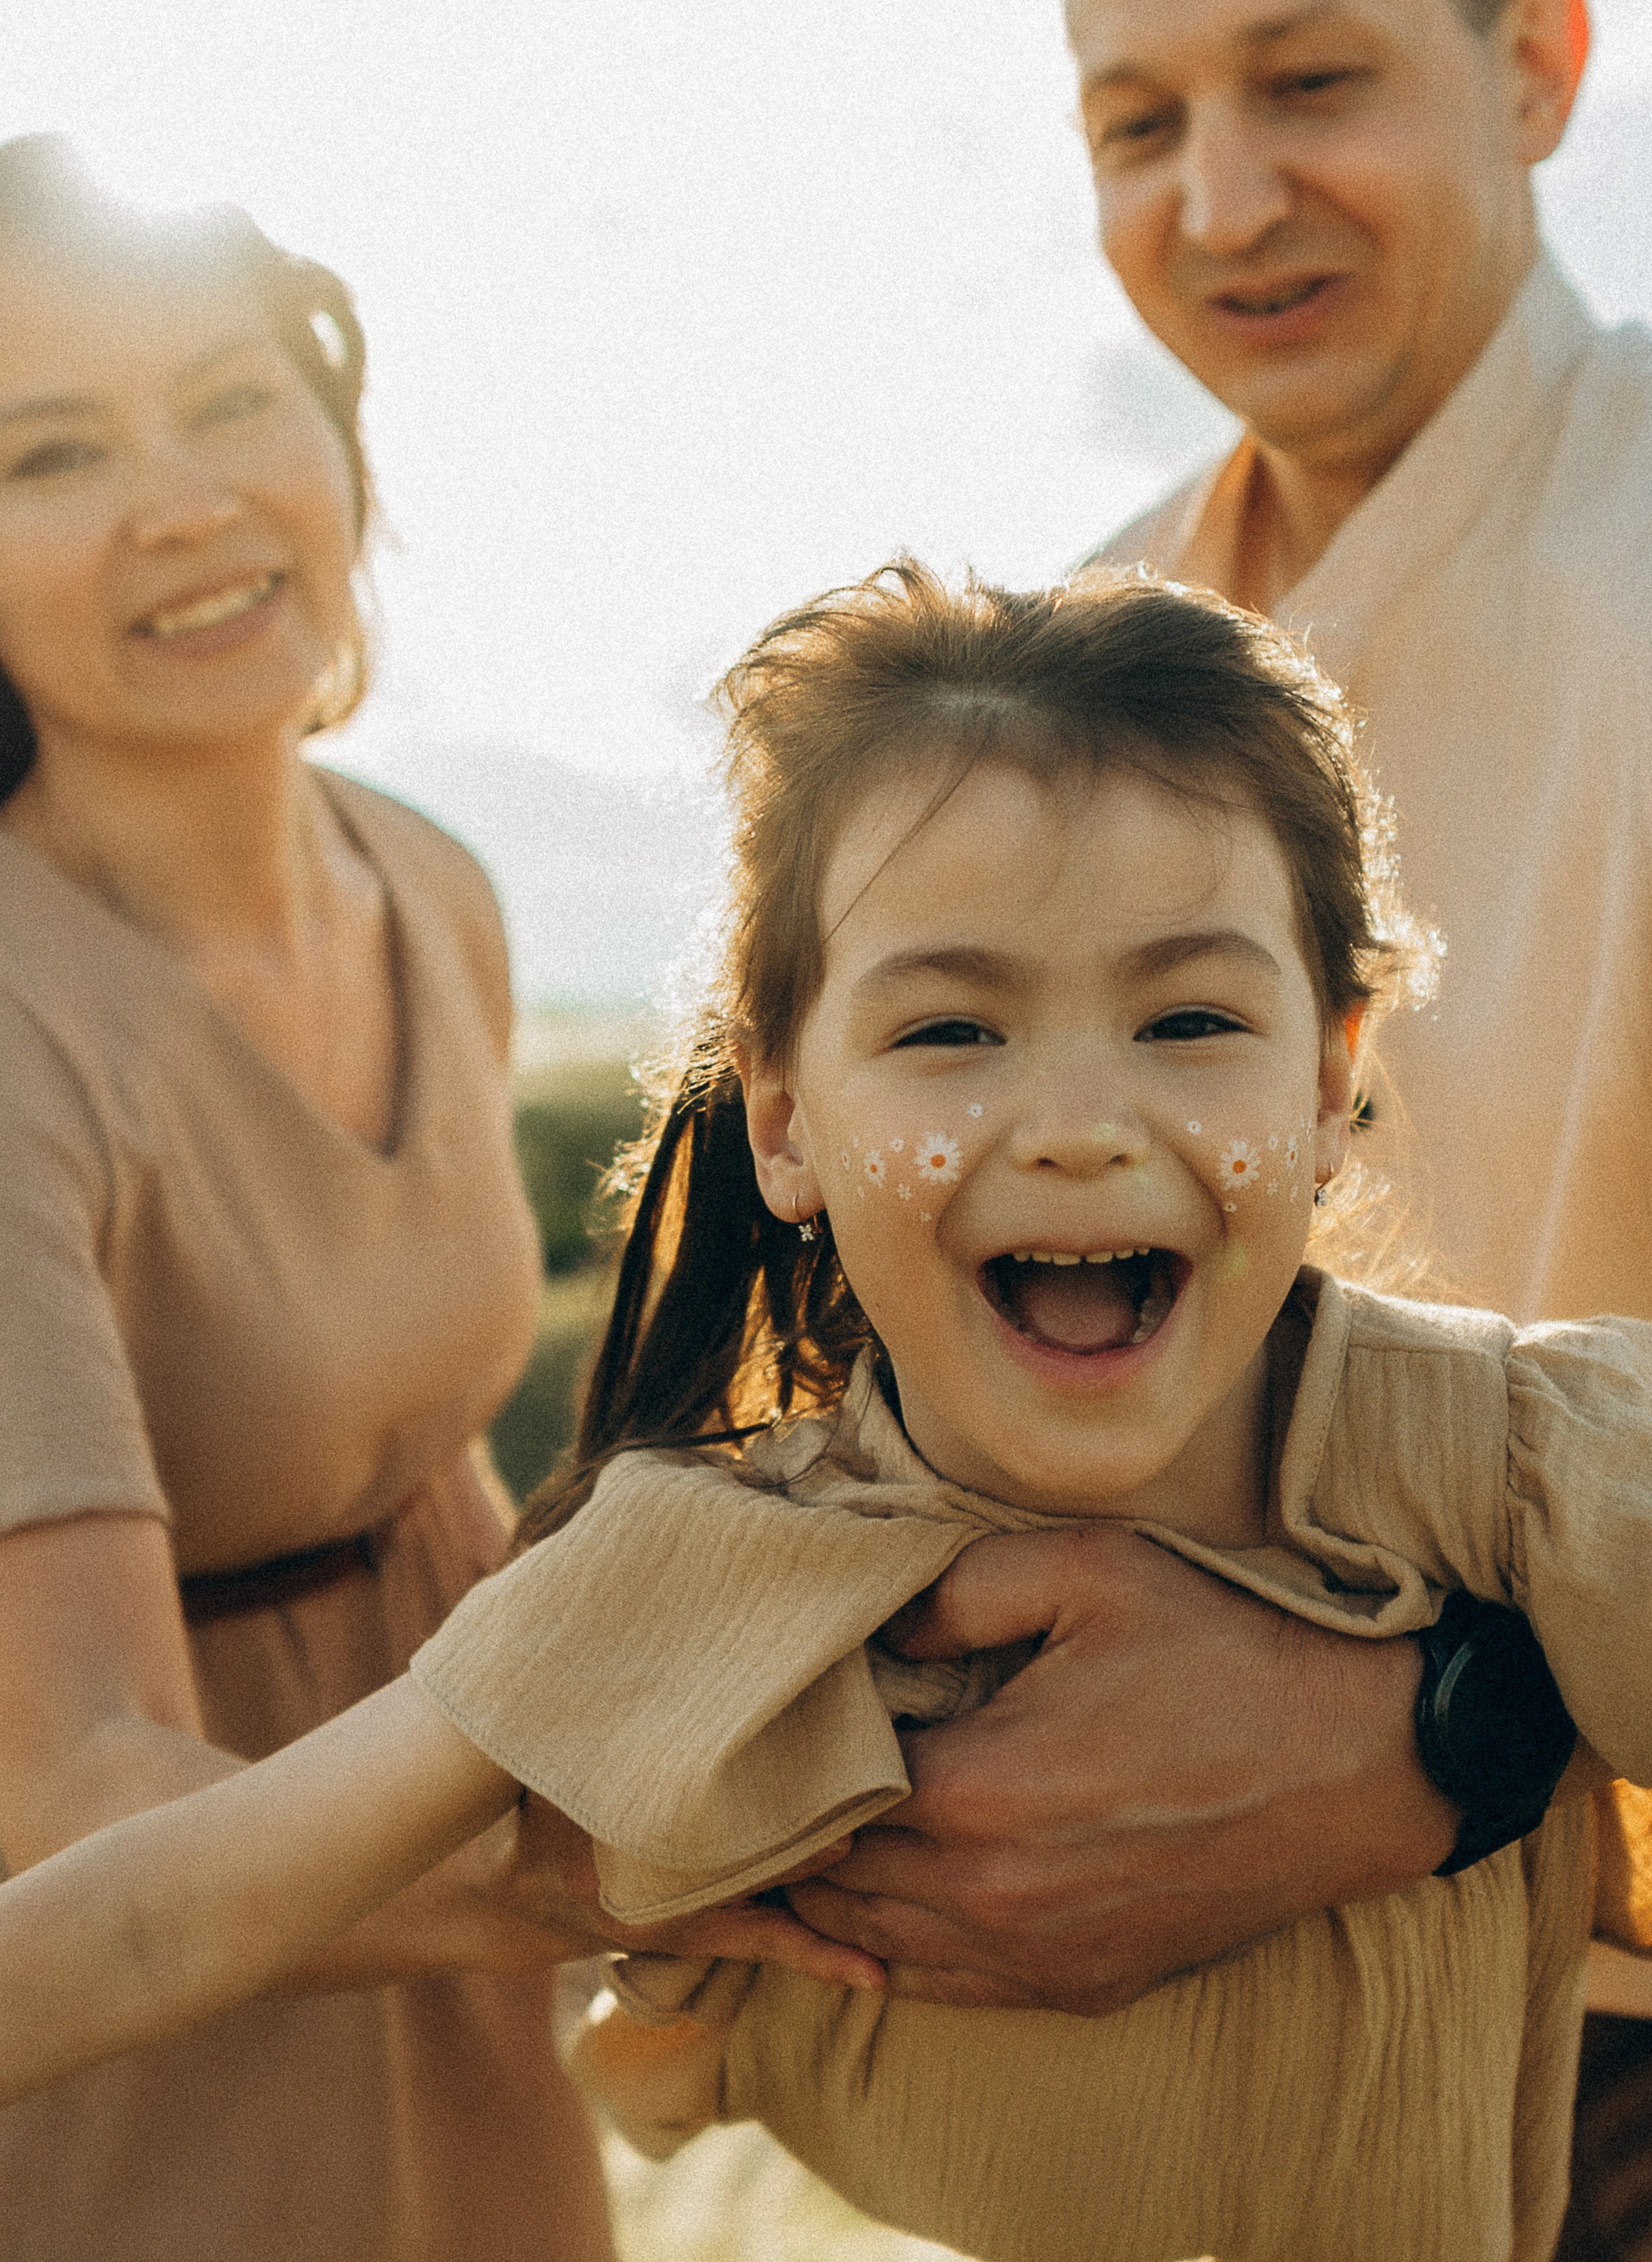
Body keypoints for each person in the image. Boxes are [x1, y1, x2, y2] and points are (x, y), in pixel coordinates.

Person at [0, 559, 1634, 2262]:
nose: (1077, 1120)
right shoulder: (693, 1574)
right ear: (782, 1114)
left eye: (1187, 1016)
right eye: (950, 1025)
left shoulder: (1503, 1461)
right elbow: (151, 1919)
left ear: (1323, 1074)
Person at [771, 0, 1652, 2169]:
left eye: (1311, 81)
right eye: (1135, 121)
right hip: (1168, 2047)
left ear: (1540, 64)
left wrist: (1432, 1744)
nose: (1221, 200)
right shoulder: (1076, 656)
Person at [0, 132, 623, 2262]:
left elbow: (414, 1449)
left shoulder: (427, 878)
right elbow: (74, 1785)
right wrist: (683, 1855)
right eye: (52, 450)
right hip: (144, 2010)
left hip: (464, 1947)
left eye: (233, 394)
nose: (185, 500)